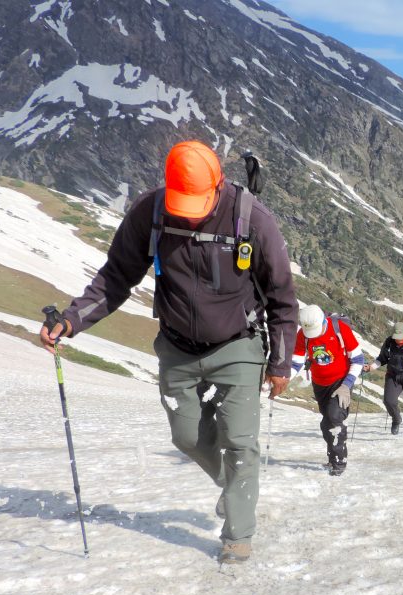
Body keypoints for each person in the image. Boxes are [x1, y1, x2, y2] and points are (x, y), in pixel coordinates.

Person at [39, 141, 298, 565]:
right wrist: (71, 320)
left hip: (238, 344)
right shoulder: (152, 212)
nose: (189, 212)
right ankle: (235, 490)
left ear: (217, 185)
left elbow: (282, 299)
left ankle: (237, 535)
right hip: (177, 346)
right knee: (186, 436)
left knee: (240, 443)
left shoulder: (252, 218)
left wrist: (280, 362)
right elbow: (115, 277)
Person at [291, 305, 364, 475]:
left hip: (341, 381)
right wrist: (282, 379)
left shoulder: (340, 328)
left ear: (324, 321)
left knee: (334, 416)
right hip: (319, 384)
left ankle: (339, 462)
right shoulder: (303, 334)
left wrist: (347, 384)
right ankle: (332, 458)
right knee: (326, 422)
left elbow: (358, 359)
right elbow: (296, 362)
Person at [364, 321, 403, 439]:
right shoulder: (389, 342)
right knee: (388, 400)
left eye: (400, 337)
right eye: (396, 338)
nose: (398, 340)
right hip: (393, 376)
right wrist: (371, 367)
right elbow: (382, 359)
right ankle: (396, 419)